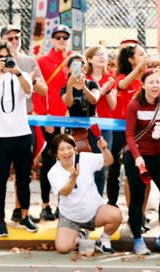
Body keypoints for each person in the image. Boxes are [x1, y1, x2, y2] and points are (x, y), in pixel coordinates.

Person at [0, 25, 49, 225]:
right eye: (10, 38)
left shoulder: (29, 61)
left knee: (24, 170)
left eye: (17, 37)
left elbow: (42, 90)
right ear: (2, 40)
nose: (14, 41)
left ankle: (20, 210)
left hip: (25, 119)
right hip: (2, 123)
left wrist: (28, 79)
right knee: (1, 172)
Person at [0, 41, 38, 237]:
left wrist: (17, 71)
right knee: (0, 179)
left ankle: (25, 215)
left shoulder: (22, 74)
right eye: (0, 58)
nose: (4, 61)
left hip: (22, 134)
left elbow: (28, 90)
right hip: (1, 135)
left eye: (7, 57)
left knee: (23, 178)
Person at [125, 69, 160, 255]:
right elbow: (129, 135)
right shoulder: (134, 104)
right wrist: (138, 157)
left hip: (156, 154)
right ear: (144, 84)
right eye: (151, 82)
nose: (155, 86)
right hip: (136, 155)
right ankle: (138, 240)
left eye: (158, 82)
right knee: (138, 197)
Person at [47, 134, 122, 254]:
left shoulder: (85, 158)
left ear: (75, 149)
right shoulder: (53, 172)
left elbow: (109, 161)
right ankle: (80, 234)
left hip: (94, 213)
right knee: (62, 248)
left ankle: (103, 240)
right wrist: (73, 178)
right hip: (70, 217)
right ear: (56, 154)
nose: (66, 152)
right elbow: (65, 192)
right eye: (61, 149)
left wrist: (104, 149)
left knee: (116, 215)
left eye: (69, 147)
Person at [35, 25, 73, 222]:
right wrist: (45, 116)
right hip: (51, 119)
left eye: (65, 37)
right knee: (49, 163)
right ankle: (45, 205)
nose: (61, 40)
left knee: (67, 163)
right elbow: (39, 91)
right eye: (57, 37)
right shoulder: (42, 61)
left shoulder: (73, 60)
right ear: (51, 39)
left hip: (69, 119)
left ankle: (63, 205)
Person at [107, 43, 147, 207]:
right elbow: (122, 86)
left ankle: (138, 210)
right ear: (131, 59)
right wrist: (138, 69)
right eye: (141, 54)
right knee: (114, 168)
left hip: (138, 131)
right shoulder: (122, 77)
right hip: (119, 130)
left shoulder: (145, 79)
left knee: (137, 170)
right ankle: (112, 203)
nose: (145, 57)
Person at [60, 54, 102, 191]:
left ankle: (97, 197)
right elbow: (68, 103)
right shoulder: (65, 86)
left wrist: (84, 87)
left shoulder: (92, 83)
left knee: (97, 166)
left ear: (85, 68)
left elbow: (94, 100)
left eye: (81, 65)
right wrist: (71, 85)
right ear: (69, 69)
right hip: (73, 130)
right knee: (71, 163)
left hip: (92, 130)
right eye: (74, 65)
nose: (78, 68)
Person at [85, 46, 118, 195]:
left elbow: (113, 105)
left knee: (101, 164)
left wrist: (107, 90)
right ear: (90, 59)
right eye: (97, 54)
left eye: (104, 54)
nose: (101, 57)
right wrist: (101, 90)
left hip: (104, 126)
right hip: (85, 126)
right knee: (85, 162)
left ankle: (97, 199)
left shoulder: (110, 78)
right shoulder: (84, 78)